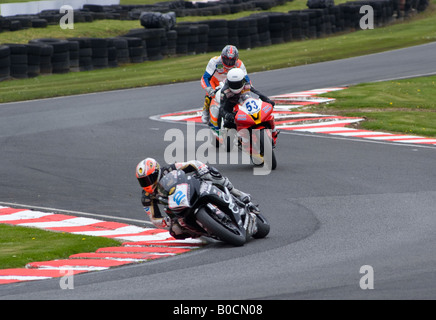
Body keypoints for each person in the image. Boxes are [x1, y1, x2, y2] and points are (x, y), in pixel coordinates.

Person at [135, 158, 251, 238]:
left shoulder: (168, 170)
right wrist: (165, 221)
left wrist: (202, 168)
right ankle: (206, 233)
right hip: (177, 209)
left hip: (191, 191)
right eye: (143, 181)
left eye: (149, 178)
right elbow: (154, 218)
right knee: (176, 231)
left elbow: (192, 164)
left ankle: (237, 193)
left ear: (157, 172)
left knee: (212, 175)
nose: (147, 183)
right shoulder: (146, 197)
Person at [219, 67, 279, 145]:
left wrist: (267, 100)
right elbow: (222, 108)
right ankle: (238, 138)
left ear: (242, 81)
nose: (236, 86)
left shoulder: (246, 84)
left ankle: (274, 131)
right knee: (228, 124)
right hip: (232, 105)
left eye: (238, 84)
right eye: (233, 84)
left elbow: (257, 93)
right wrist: (227, 115)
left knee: (267, 112)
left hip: (245, 101)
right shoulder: (224, 91)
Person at [200, 45, 250, 124]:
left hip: (230, 82)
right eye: (226, 60)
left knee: (241, 95)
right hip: (215, 82)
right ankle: (205, 110)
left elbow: (247, 79)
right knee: (210, 95)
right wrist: (209, 89)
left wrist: (247, 90)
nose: (229, 63)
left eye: (231, 61)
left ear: (236, 59)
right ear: (222, 57)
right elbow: (205, 78)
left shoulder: (239, 64)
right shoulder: (214, 61)